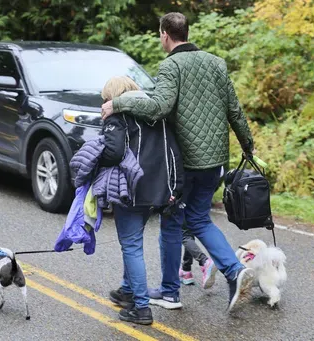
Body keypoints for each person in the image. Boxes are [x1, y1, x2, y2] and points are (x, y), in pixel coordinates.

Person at [102, 12, 255, 312]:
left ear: (164, 34)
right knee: (198, 219)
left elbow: (159, 107)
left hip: (184, 163)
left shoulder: (171, 65)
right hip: (216, 162)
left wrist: (118, 103)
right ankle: (234, 272)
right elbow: (234, 110)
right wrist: (247, 145)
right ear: (186, 32)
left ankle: (171, 291)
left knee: (172, 226)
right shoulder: (216, 63)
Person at [99, 76, 184, 325]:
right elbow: (173, 152)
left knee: (132, 245)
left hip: (131, 189)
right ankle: (127, 289)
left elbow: (112, 152)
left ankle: (141, 307)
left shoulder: (118, 116)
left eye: (106, 98)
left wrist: (96, 156)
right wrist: (174, 188)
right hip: (157, 189)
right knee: (134, 240)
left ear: (113, 97)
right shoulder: (156, 114)